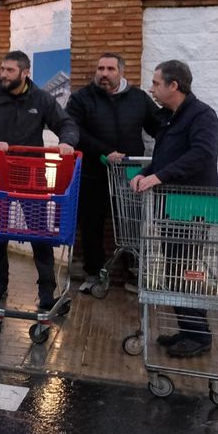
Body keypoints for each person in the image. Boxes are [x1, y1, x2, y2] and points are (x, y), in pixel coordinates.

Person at [0, 50, 79, 309]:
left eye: (9, 71)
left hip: (33, 177)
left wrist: (66, 142)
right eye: (2, 70)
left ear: (25, 73)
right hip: (0, 175)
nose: (3, 75)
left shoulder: (41, 98)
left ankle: (46, 292)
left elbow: (66, 124)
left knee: (39, 232)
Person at [130, 60, 218, 358]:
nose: (152, 88)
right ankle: (189, 329)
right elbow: (165, 155)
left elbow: (201, 154)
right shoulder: (171, 116)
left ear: (174, 86)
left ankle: (199, 336)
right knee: (175, 267)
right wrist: (146, 172)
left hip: (192, 203)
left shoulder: (201, 115)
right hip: (173, 203)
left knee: (186, 268)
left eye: (156, 83)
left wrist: (159, 176)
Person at [65, 52, 161, 294]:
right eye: (100, 69)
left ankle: (134, 275)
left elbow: (158, 127)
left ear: (121, 72)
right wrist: (105, 152)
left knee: (132, 224)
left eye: (110, 69)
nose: (104, 74)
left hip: (130, 176)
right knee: (91, 226)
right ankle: (93, 274)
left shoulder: (138, 98)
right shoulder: (81, 98)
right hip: (92, 174)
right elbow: (73, 131)